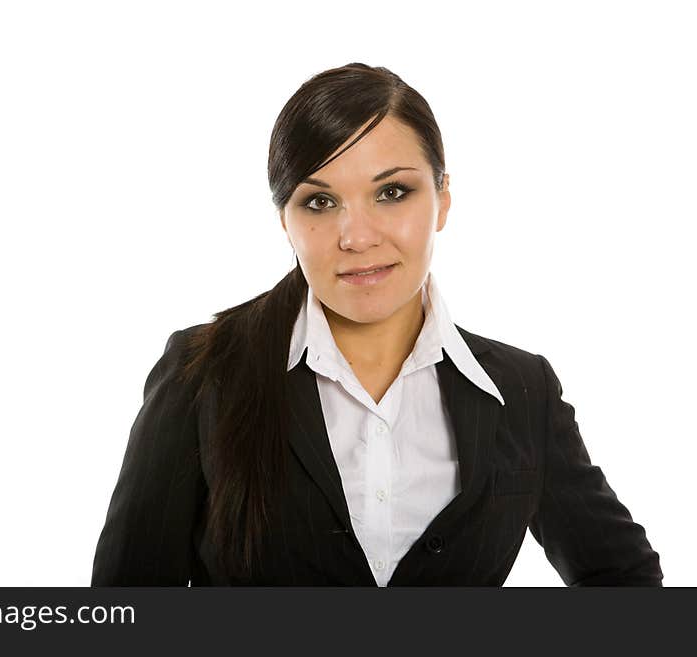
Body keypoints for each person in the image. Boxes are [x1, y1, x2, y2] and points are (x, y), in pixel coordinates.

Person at [90, 62, 663, 586]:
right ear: (284, 220)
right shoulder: (203, 373)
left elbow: (624, 581)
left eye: (393, 192)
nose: (358, 237)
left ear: (442, 198)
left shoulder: (522, 390)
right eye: (319, 202)